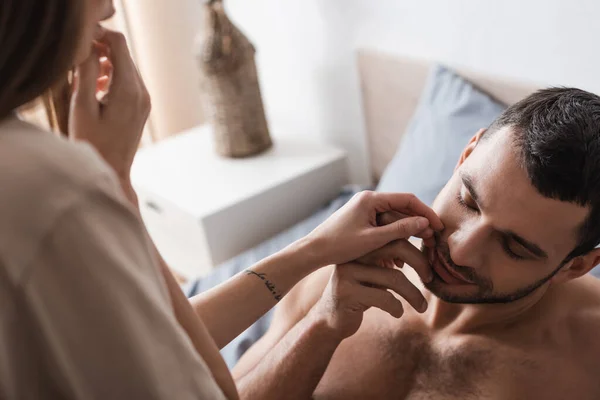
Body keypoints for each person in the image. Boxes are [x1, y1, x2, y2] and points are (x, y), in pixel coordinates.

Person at [0, 1, 446, 399]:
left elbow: (165, 336)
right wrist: (112, 181)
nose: (109, 11)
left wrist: (315, 248)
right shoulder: (46, 192)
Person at [234, 88, 600, 399]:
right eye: (468, 200)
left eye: (514, 247)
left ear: (575, 266)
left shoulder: (587, 365)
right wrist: (322, 323)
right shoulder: (343, 256)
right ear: (467, 153)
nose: (460, 249)